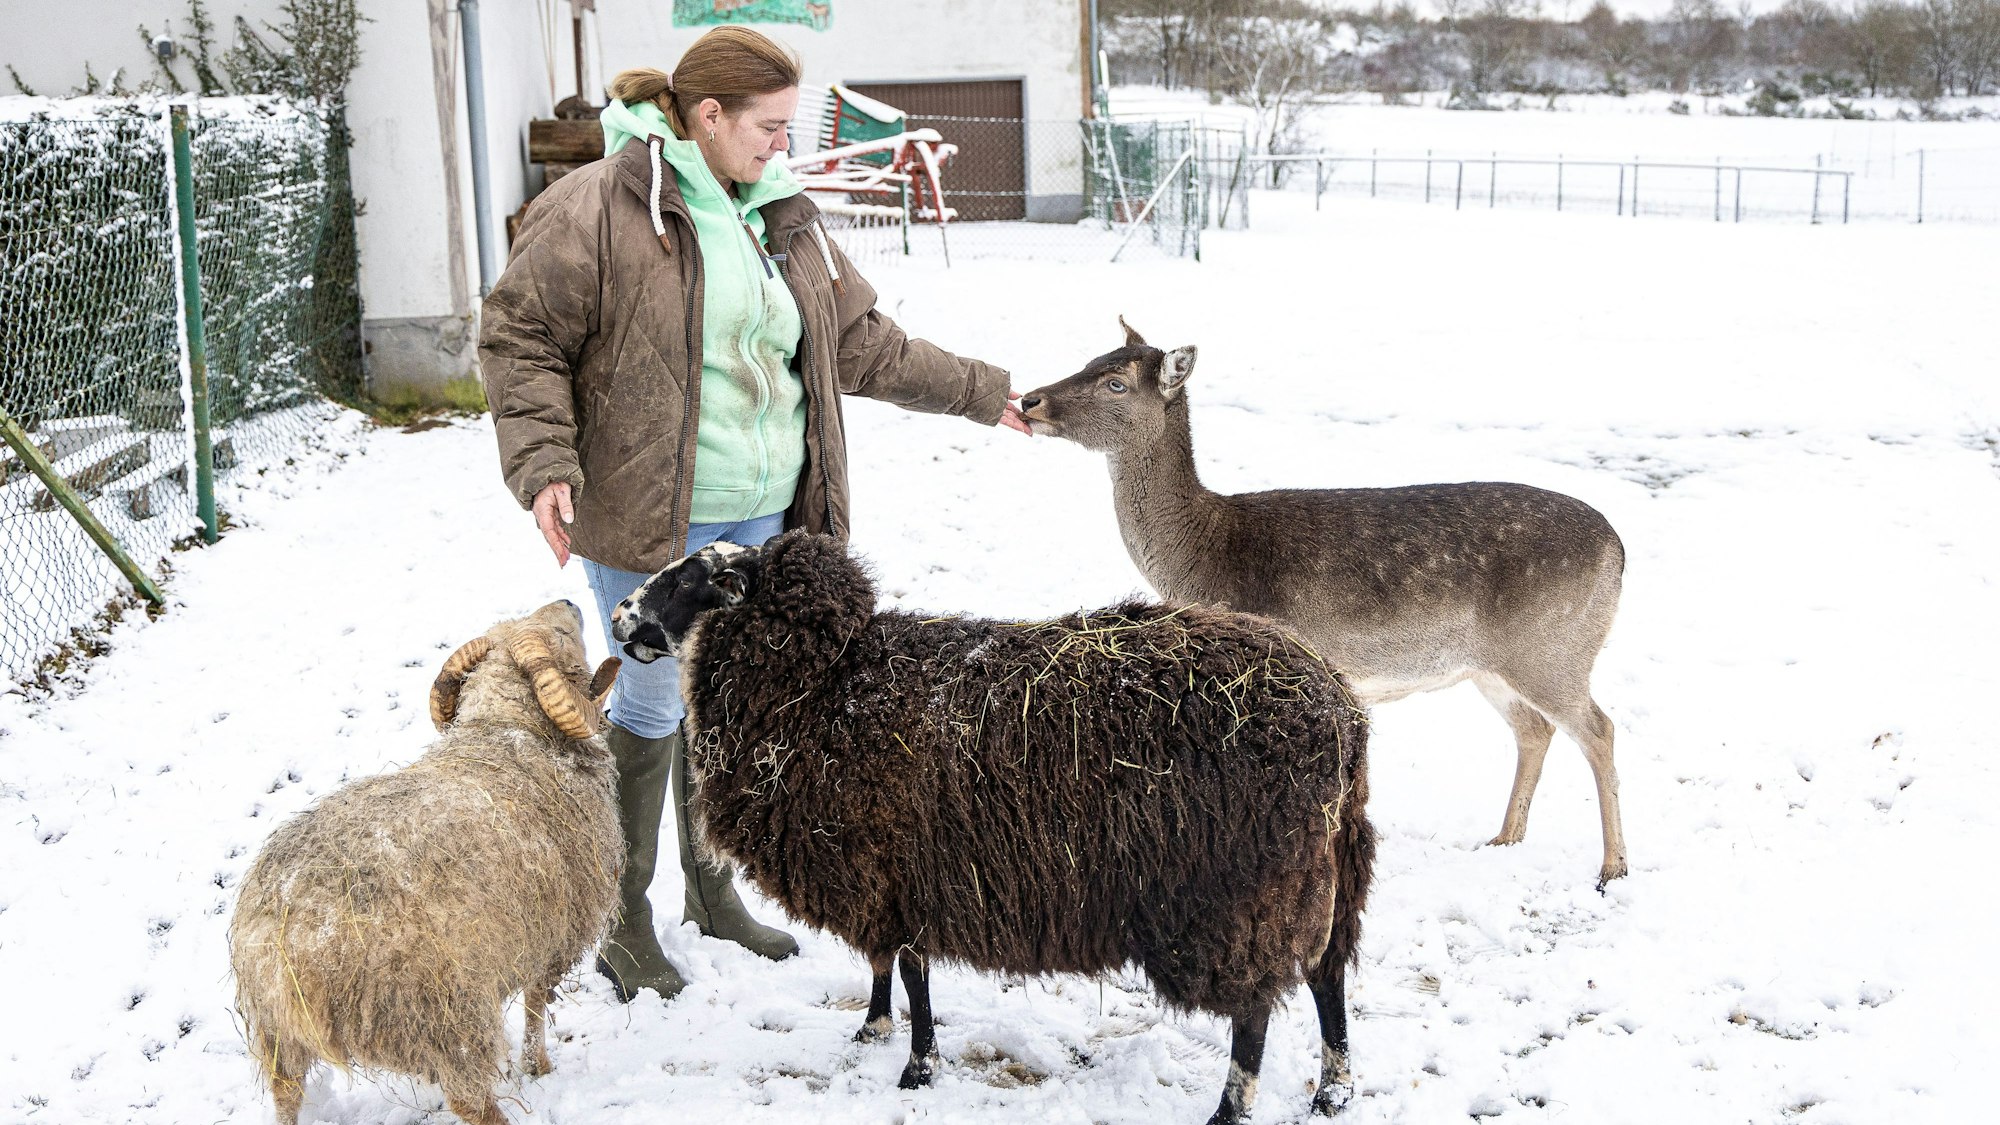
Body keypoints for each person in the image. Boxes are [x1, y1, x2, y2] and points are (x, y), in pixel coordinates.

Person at [479, 25, 1030, 1004]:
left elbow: (860, 343)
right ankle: (619, 918)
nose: (784, 143)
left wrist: (982, 392)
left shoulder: (786, 217)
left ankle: (712, 889)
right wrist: (544, 464)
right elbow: (519, 335)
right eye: (769, 126)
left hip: (773, 521)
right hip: (653, 519)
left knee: (732, 701)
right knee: (648, 706)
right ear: (707, 117)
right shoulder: (602, 209)